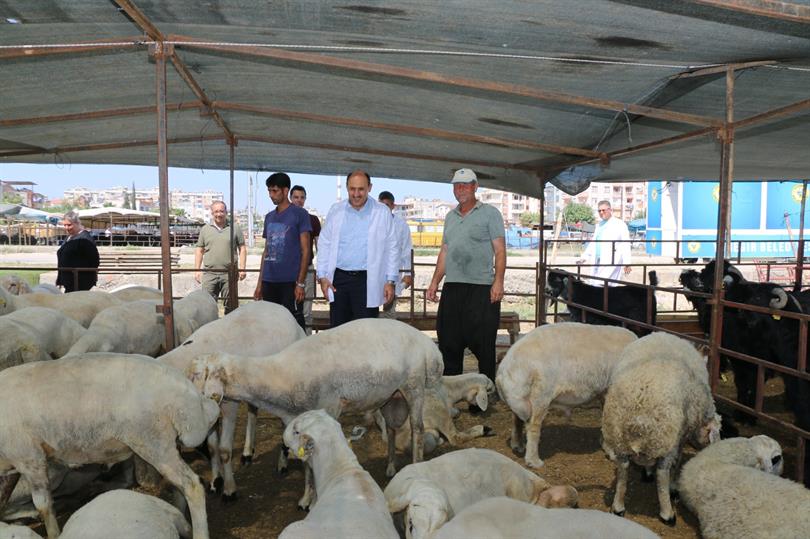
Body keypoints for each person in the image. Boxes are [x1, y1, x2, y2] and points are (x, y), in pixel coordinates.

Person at [426, 168, 505, 384]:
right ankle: (451, 393)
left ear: (475, 186)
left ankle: (484, 392)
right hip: (453, 287)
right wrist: (435, 282)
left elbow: (499, 250)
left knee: (483, 343)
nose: (460, 189)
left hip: (481, 288)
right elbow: (445, 251)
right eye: (456, 185)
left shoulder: (490, 213)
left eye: (465, 184)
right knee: (449, 342)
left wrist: (498, 281)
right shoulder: (450, 217)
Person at [317, 170, 399, 328]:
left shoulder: (382, 212)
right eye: (352, 189)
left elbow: (392, 248)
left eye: (361, 189)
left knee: (365, 332)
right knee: (339, 331)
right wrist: (322, 276)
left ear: (369, 188)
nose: (356, 194)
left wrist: (390, 281)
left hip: (367, 281)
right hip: (339, 281)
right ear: (347, 188)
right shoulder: (336, 210)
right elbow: (325, 243)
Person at [253, 173, 311, 329]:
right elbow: (266, 251)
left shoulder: (300, 214)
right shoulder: (269, 217)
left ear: (286, 191)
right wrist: (260, 284)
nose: (271, 195)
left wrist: (300, 283)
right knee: (271, 324)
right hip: (269, 281)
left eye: (275, 191)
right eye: (269, 191)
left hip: (290, 281)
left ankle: (301, 351)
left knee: (294, 322)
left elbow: (306, 251)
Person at [194, 201, 247, 309]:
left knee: (231, 305)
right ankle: (210, 325)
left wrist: (242, 268)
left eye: (221, 211)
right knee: (207, 306)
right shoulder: (205, 229)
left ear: (226, 212)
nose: (219, 214)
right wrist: (197, 270)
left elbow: (242, 248)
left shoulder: (234, 228)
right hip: (210, 274)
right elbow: (199, 250)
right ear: (212, 213)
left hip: (229, 273)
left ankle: (230, 325)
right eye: (216, 211)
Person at [577, 200, 631, 286]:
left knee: (606, 285)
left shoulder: (620, 224)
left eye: (603, 210)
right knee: (595, 283)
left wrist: (627, 262)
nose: (601, 212)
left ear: (610, 210)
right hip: (597, 259)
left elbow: (626, 244)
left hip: (612, 260)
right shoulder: (599, 225)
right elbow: (593, 243)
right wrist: (584, 257)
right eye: (599, 211)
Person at [290, 185, 321, 334]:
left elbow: (319, 245)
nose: (299, 200)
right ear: (290, 198)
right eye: (296, 197)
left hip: (307, 269)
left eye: (302, 197)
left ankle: (307, 340)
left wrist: (321, 270)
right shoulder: (285, 218)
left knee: (307, 310)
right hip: (289, 271)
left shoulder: (313, 220)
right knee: (289, 309)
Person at [378, 191, 413, 318]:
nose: (384, 209)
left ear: (393, 206)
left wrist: (408, 274)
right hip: (374, 272)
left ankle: (387, 337)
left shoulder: (401, 226)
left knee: (389, 311)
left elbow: (407, 250)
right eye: (381, 205)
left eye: (387, 205)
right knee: (369, 310)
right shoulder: (371, 223)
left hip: (393, 273)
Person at [56, 211, 100, 292]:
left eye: (69, 225)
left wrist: (80, 275)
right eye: (64, 225)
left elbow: (94, 261)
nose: (66, 227)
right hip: (69, 280)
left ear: (77, 223)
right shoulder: (69, 237)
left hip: (79, 282)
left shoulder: (85, 239)